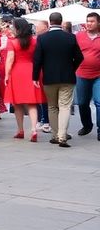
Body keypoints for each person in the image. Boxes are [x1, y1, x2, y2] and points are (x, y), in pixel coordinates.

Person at [33, 12, 83, 147]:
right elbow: (80, 57)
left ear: (50, 22)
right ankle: (62, 136)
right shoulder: (71, 37)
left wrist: (35, 76)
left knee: (52, 106)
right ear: (61, 22)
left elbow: (37, 59)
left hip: (49, 77)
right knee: (65, 107)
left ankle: (55, 135)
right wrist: (71, 68)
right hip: (67, 77)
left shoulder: (42, 39)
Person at [4, 18, 45, 142]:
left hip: (17, 71)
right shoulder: (35, 41)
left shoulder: (13, 42)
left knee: (17, 103)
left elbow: (10, 59)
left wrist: (7, 74)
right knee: (32, 103)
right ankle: (33, 129)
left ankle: (20, 130)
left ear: (17, 28)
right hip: (32, 71)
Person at [73, 11, 100, 140]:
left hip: (98, 75)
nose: (88, 24)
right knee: (83, 103)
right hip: (81, 74)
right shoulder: (79, 35)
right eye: (87, 21)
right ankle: (87, 125)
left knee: (99, 102)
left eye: (92, 21)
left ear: (98, 23)